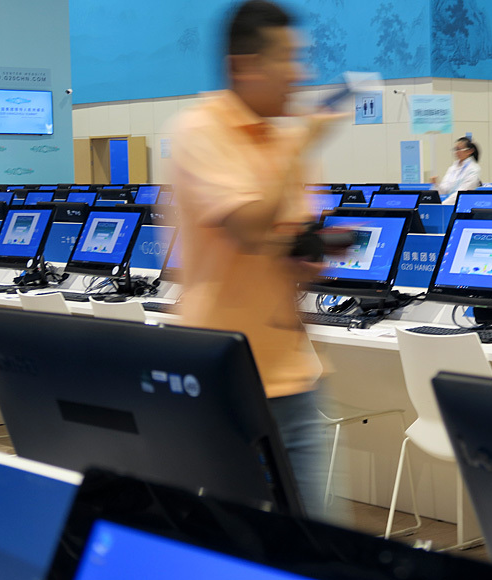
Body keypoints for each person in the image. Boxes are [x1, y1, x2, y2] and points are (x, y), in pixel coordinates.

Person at [169, 0, 342, 520]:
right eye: (287, 59)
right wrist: (298, 147)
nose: (300, 74)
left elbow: (282, 244)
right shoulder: (200, 131)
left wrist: (310, 256)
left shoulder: (281, 139)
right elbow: (247, 229)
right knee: (244, 540)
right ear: (246, 66)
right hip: (228, 382)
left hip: (294, 373)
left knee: (312, 540)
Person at [432, 136, 481, 204]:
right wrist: (436, 185)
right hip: (448, 203)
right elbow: (444, 190)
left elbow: (463, 192)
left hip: (462, 204)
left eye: (459, 149)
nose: (456, 152)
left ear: (469, 151)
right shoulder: (453, 168)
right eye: (455, 149)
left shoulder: (474, 169)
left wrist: (443, 204)